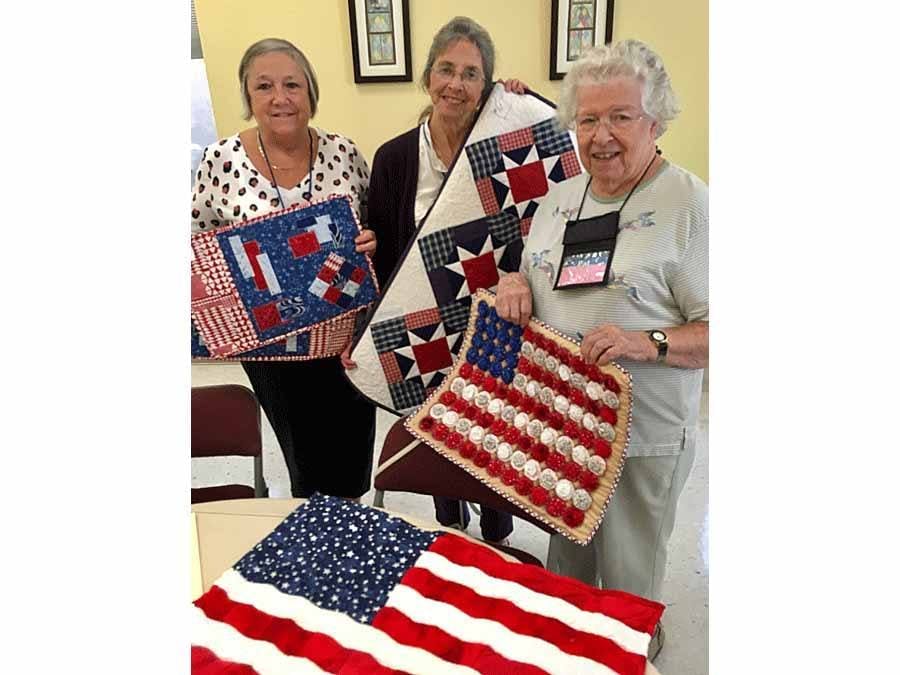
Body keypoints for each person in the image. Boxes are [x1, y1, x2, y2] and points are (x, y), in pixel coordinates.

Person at [495, 39, 708, 659]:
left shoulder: (690, 205)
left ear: (656, 119)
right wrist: (514, 284)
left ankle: (626, 645)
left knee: (629, 567)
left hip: (643, 433)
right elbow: (536, 282)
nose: (602, 135)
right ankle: (569, 646)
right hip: (565, 427)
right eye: (588, 119)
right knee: (568, 557)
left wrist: (644, 342)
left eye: (621, 116)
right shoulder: (561, 199)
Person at [191, 38, 377, 499]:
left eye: (292, 84)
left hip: (343, 340)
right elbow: (196, 241)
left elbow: (372, 224)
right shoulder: (221, 161)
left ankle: (351, 536)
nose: (280, 98)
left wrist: (370, 241)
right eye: (264, 86)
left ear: (311, 93)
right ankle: (312, 545)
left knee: (352, 459)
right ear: (248, 98)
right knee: (306, 464)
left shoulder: (345, 153)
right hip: (272, 346)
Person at [366, 16, 526, 544]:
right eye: (446, 69)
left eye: (472, 74)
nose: (456, 83)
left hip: (490, 320)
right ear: (427, 77)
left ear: (487, 86)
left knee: (489, 424)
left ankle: (497, 525)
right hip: (423, 316)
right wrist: (369, 336)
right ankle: (450, 523)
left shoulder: (501, 145)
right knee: (434, 421)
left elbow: (532, 222)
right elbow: (385, 256)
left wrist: (520, 107)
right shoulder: (393, 158)